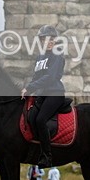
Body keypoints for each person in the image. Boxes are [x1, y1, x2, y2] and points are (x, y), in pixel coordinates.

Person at [22, 25, 66, 168]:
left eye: (52, 39)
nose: (49, 42)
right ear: (41, 41)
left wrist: (31, 87)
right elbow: (36, 76)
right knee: (31, 117)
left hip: (54, 94)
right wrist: (27, 89)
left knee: (41, 119)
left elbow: (50, 77)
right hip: (41, 95)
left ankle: (47, 156)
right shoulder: (40, 57)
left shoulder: (57, 56)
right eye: (45, 39)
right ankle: (36, 150)